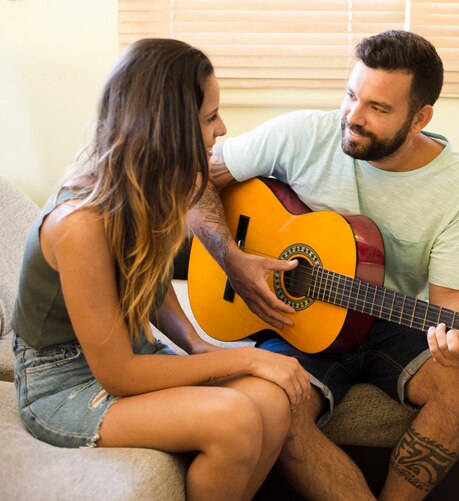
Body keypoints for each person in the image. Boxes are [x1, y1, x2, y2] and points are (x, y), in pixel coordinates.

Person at [190, 30, 459, 500]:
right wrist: (233, 259)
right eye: (352, 95)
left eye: (379, 108)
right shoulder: (303, 134)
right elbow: (198, 181)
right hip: (291, 319)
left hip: (391, 319)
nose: (353, 116)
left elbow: (450, 300)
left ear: (420, 118)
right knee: (273, 407)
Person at [11, 38, 311, 501]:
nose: (222, 127)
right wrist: (248, 356)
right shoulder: (80, 224)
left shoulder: (153, 183)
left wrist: (195, 344)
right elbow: (118, 375)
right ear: (168, 126)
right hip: (65, 382)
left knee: (272, 402)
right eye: (210, 116)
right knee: (234, 419)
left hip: (131, 350)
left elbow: (148, 280)